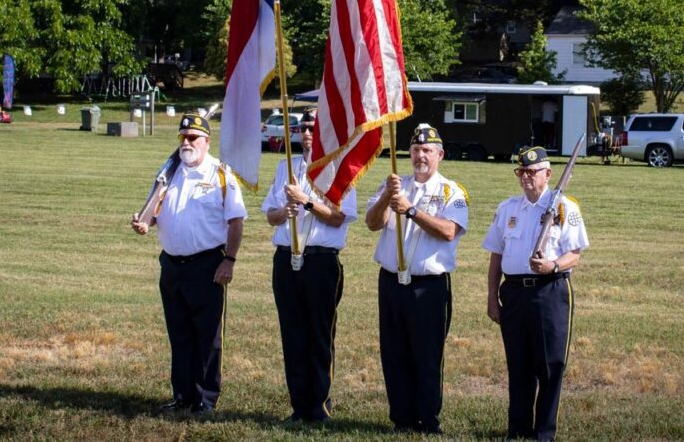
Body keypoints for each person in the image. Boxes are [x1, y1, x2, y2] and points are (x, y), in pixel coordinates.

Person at [131, 112, 246, 417]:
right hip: (171, 266)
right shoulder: (170, 171)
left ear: (207, 142)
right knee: (179, 333)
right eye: (183, 137)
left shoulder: (221, 174)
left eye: (193, 138)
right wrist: (146, 222)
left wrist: (229, 261)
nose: (187, 143)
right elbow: (155, 210)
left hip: (206, 266)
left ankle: (205, 399)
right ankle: (182, 395)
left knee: (207, 337)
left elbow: (236, 221)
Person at [365, 124, 469, 434]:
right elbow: (372, 223)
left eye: (427, 150)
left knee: (426, 353)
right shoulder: (397, 185)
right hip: (392, 282)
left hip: (429, 286)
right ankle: (402, 418)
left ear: (440, 154)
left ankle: (428, 419)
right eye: (415, 150)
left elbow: (449, 231)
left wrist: (411, 211)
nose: (420, 155)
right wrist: (387, 196)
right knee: (394, 353)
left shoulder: (452, 191)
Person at [483, 146, 589, 441]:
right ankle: (517, 429)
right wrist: (493, 297)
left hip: (550, 292)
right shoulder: (508, 209)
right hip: (515, 294)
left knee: (550, 366)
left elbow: (575, 254)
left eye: (532, 172)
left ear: (548, 174)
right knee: (518, 365)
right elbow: (495, 256)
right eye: (522, 172)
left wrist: (553, 265)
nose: (526, 177)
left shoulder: (564, 207)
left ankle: (543, 433)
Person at [262, 109, 357, 423]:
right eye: (302, 128)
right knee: (292, 334)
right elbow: (270, 215)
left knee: (319, 334)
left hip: (320, 260)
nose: (306, 134)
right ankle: (298, 405)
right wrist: (285, 210)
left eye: (312, 129)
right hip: (287, 259)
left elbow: (339, 218)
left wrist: (305, 201)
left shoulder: (338, 169)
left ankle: (319, 406)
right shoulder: (285, 167)